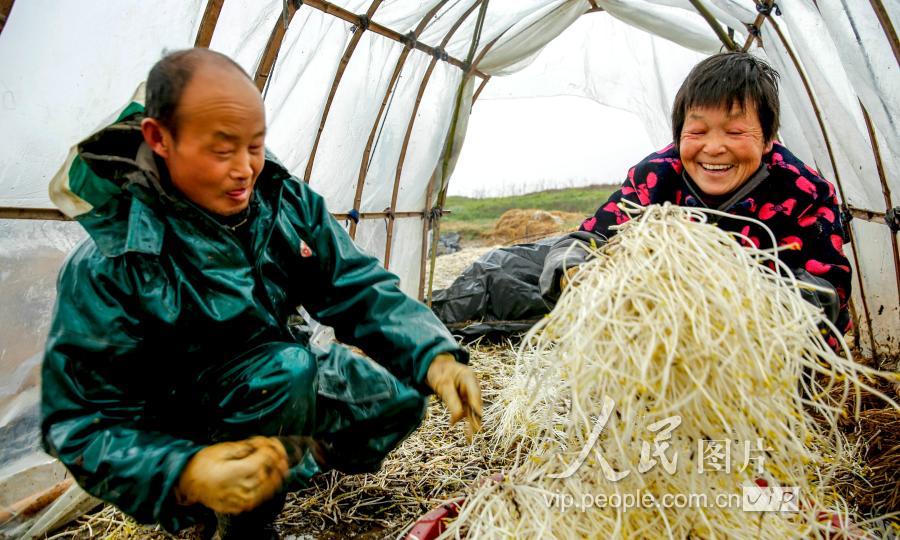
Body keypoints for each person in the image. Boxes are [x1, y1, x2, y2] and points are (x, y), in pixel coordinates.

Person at [41, 48, 482, 539]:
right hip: (180, 429)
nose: (245, 169)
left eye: (255, 146)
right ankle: (226, 519)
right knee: (286, 373)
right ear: (159, 139)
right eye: (222, 149)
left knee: (398, 401)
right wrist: (187, 472)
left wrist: (435, 354)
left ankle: (276, 467)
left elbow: (355, 283)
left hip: (269, 379)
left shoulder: (282, 201)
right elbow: (79, 424)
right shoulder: (111, 263)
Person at [540, 52, 852, 343]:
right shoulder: (654, 178)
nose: (714, 147)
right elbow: (582, 241)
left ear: (769, 138)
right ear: (678, 136)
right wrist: (575, 275)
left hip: (766, 357)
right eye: (698, 132)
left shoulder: (803, 191)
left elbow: (828, 294)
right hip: (660, 350)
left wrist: (729, 297)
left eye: (735, 132)